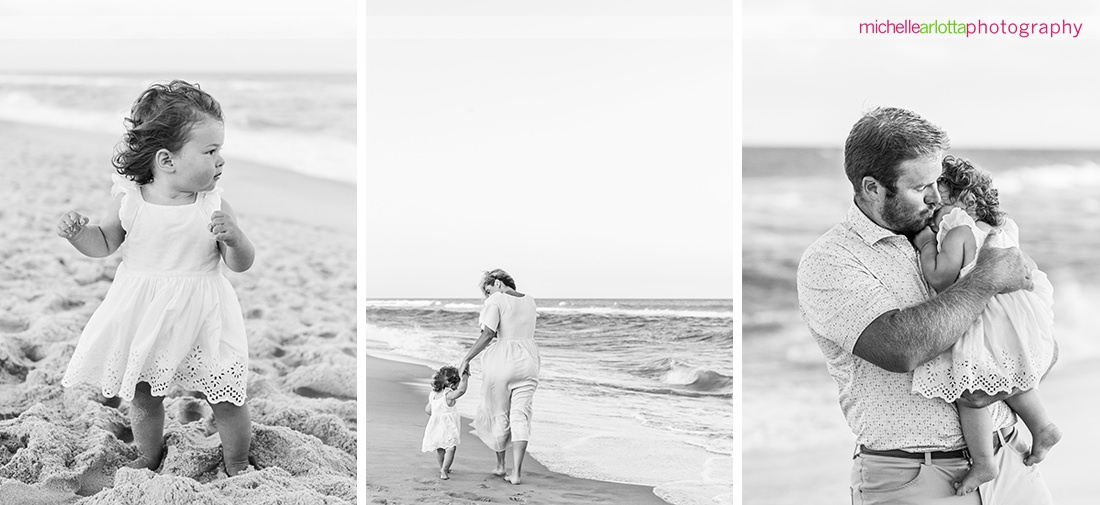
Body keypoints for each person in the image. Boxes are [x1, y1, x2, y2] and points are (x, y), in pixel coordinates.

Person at [797, 107, 1054, 504]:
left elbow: (1038, 346)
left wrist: (1023, 361)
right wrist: (985, 280)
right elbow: (901, 349)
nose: (937, 197)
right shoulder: (832, 260)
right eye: (921, 188)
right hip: (914, 479)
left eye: (938, 182)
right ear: (872, 188)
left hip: (1013, 459)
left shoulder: (958, 233)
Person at [57, 80, 255, 476]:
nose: (221, 161)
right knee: (145, 394)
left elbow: (240, 263)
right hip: (146, 312)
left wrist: (235, 239)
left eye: (221, 150)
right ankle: (148, 455)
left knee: (228, 395)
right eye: (211, 151)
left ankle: (236, 460)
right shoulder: (131, 201)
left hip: (204, 314)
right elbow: (104, 243)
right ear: (167, 160)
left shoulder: (213, 205)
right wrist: (81, 235)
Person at [911, 155, 1061, 494]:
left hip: (983, 319)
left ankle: (983, 463)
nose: (933, 212)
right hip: (1014, 320)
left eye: (938, 204)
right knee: (1011, 376)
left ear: (963, 202)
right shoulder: (1000, 230)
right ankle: (1043, 426)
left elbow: (941, 279)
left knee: (971, 391)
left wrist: (924, 246)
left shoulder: (959, 231)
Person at [457, 269, 540, 485]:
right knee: (520, 415)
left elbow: (488, 334)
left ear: (497, 283)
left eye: (488, 290)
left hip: (503, 361)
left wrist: (467, 358)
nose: (487, 296)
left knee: (499, 413)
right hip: (529, 361)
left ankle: (501, 466)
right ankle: (517, 474)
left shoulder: (497, 300)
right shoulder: (530, 300)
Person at [422, 365, 471, 480]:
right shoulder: (448, 395)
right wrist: (466, 377)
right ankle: (444, 470)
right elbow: (462, 391)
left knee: (440, 448)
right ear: (451, 385)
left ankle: (442, 467)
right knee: (450, 448)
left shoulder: (433, 395)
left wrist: (437, 415)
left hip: (436, 427)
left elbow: (428, 410)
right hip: (447, 427)